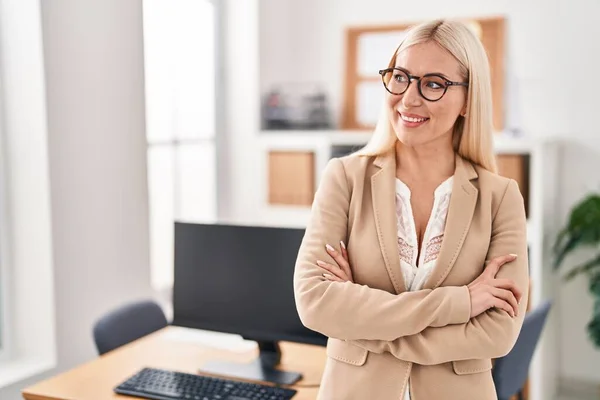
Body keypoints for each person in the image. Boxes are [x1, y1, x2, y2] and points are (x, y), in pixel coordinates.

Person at [293, 19, 529, 400]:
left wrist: (366, 324)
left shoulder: (500, 197)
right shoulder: (345, 178)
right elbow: (315, 303)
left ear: (469, 99)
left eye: (433, 84)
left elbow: (498, 332)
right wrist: (462, 303)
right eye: (400, 77)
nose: (408, 98)